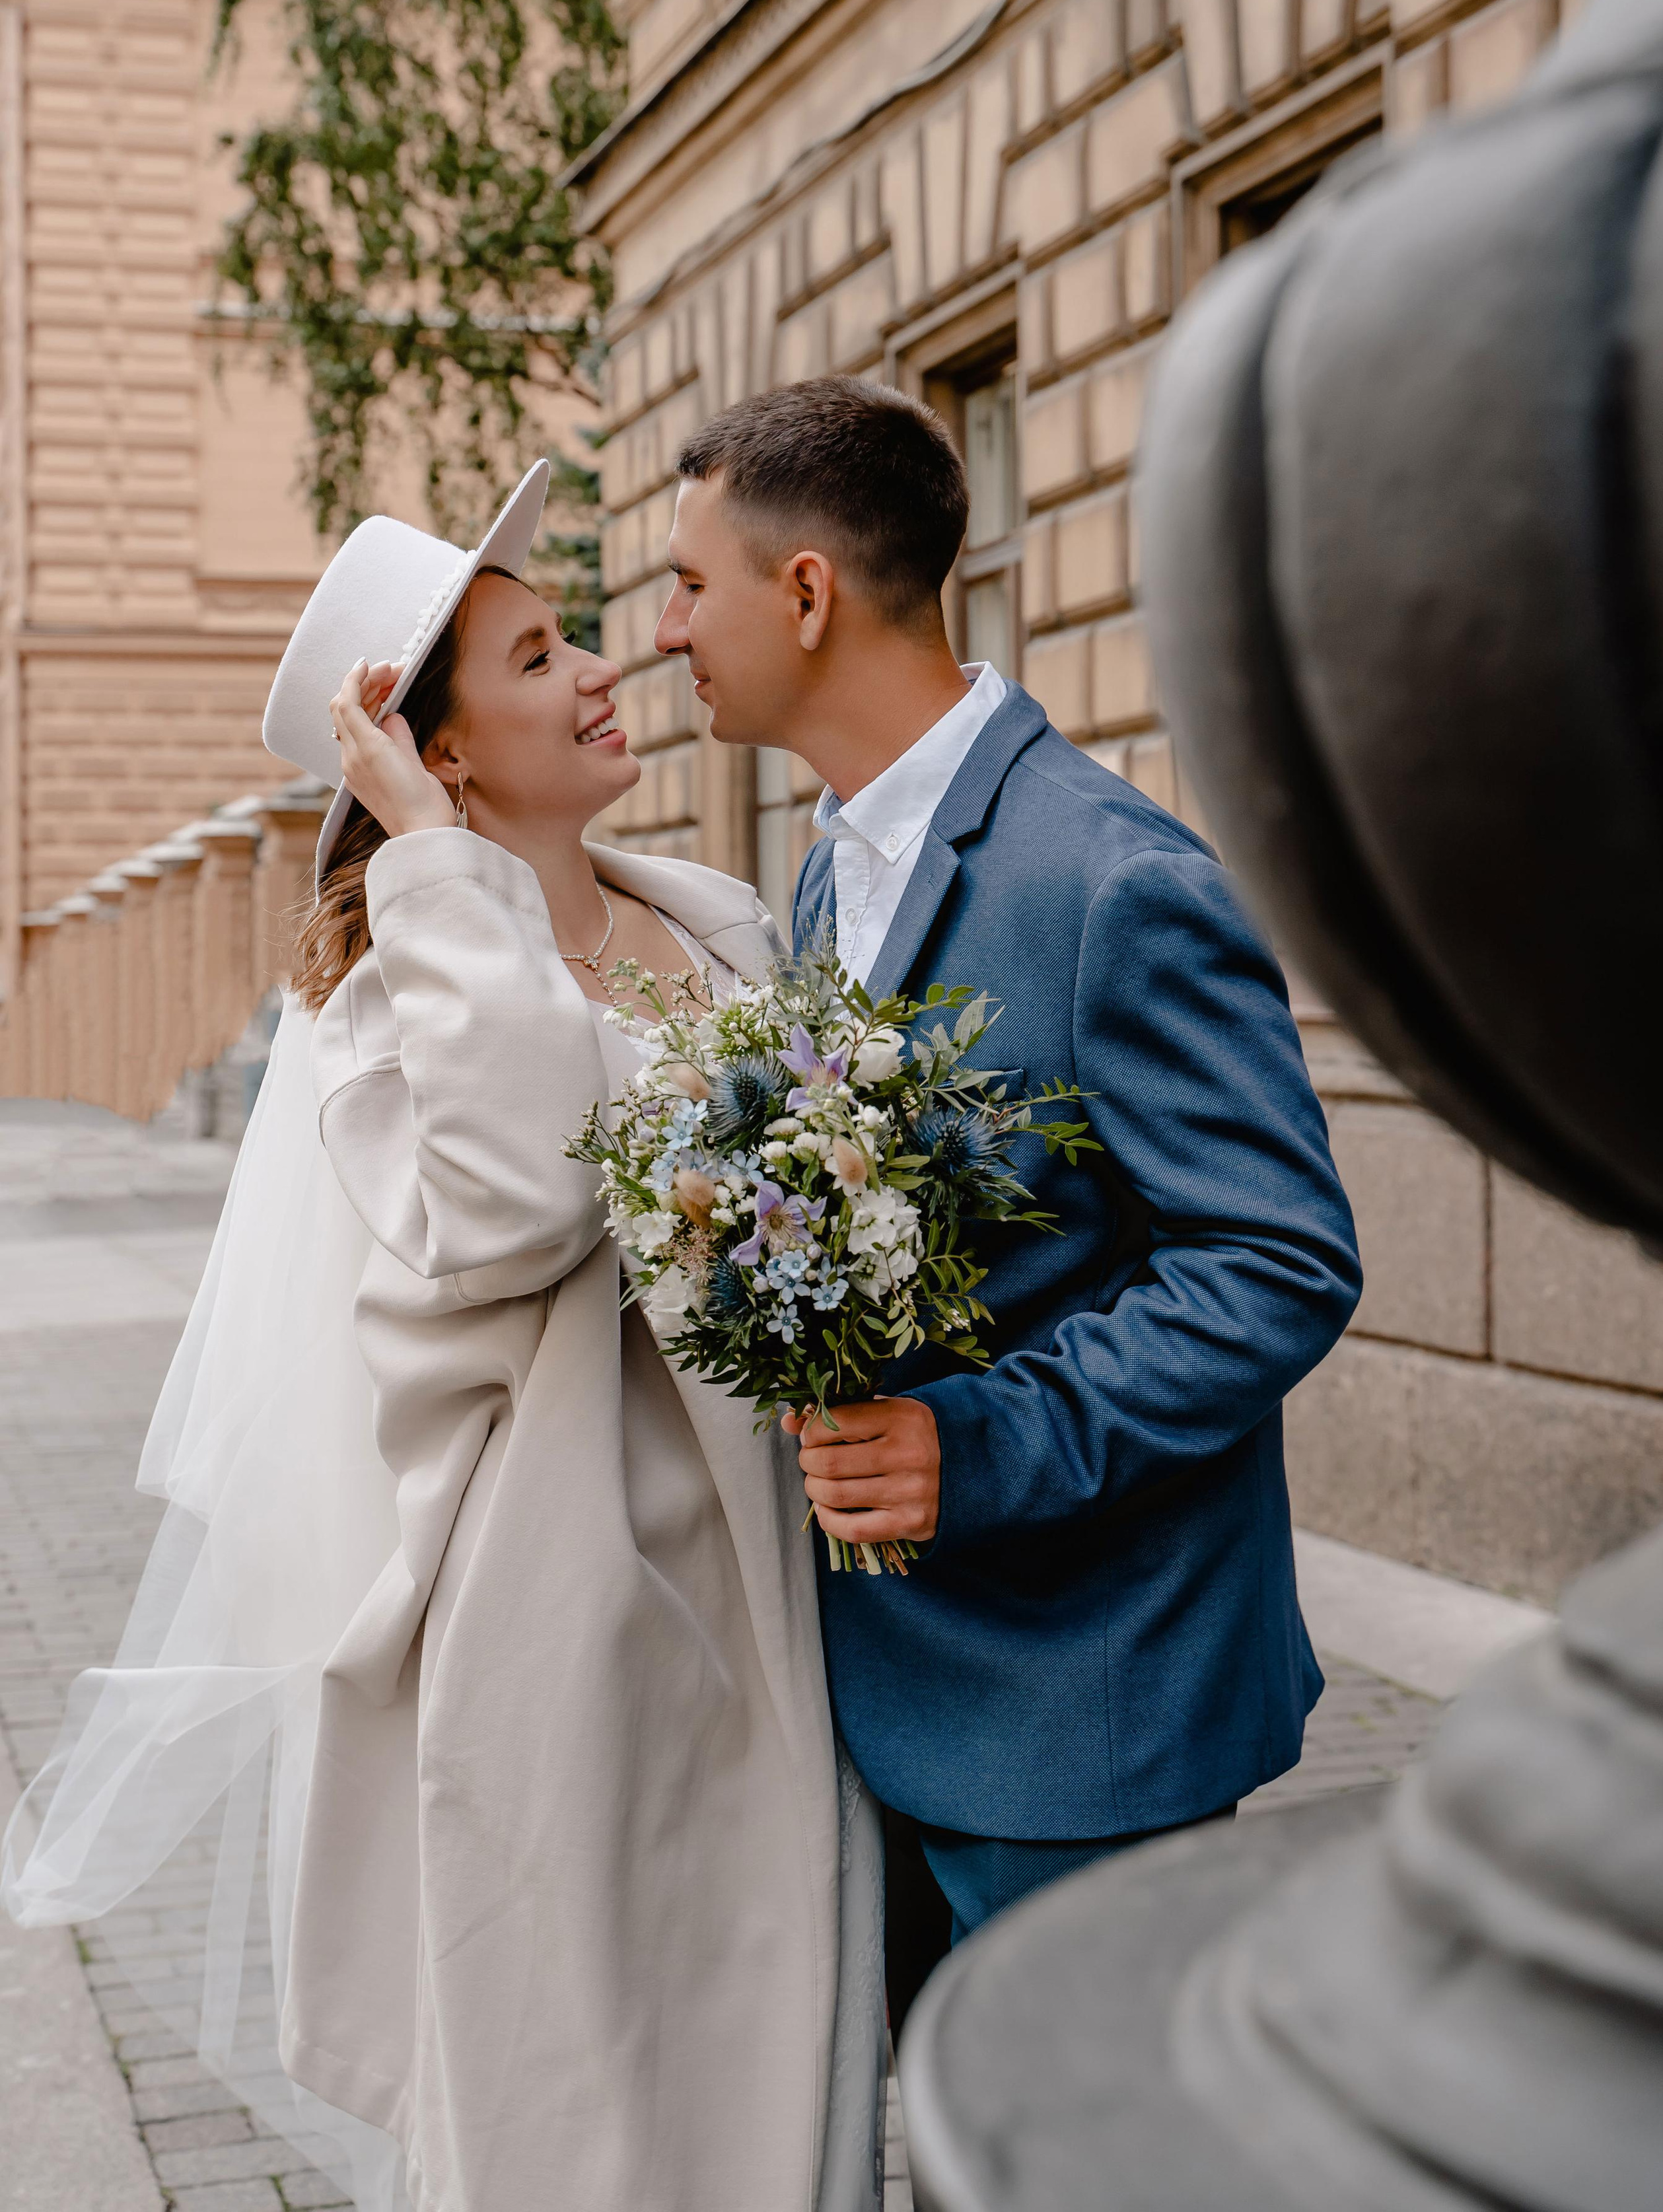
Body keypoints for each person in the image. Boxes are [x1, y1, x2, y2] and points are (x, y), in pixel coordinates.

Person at [5, 464, 884, 2212]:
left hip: (768, 1585)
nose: (601, 670)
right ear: (445, 749)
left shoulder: (713, 924)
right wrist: (426, 856)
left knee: (783, 2050)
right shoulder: (384, 1009)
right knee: (582, 2101)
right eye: (544, 655)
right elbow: (517, 1204)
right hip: (557, 1626)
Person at [653, 376, 1364, 2036]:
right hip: (890, 1688)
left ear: (806, 593)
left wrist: (974, 1446)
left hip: (1081, 1714)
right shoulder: (835, 862)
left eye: (691, 583)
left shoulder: (1115, 880)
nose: (667, 631)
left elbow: (1276, 1263)